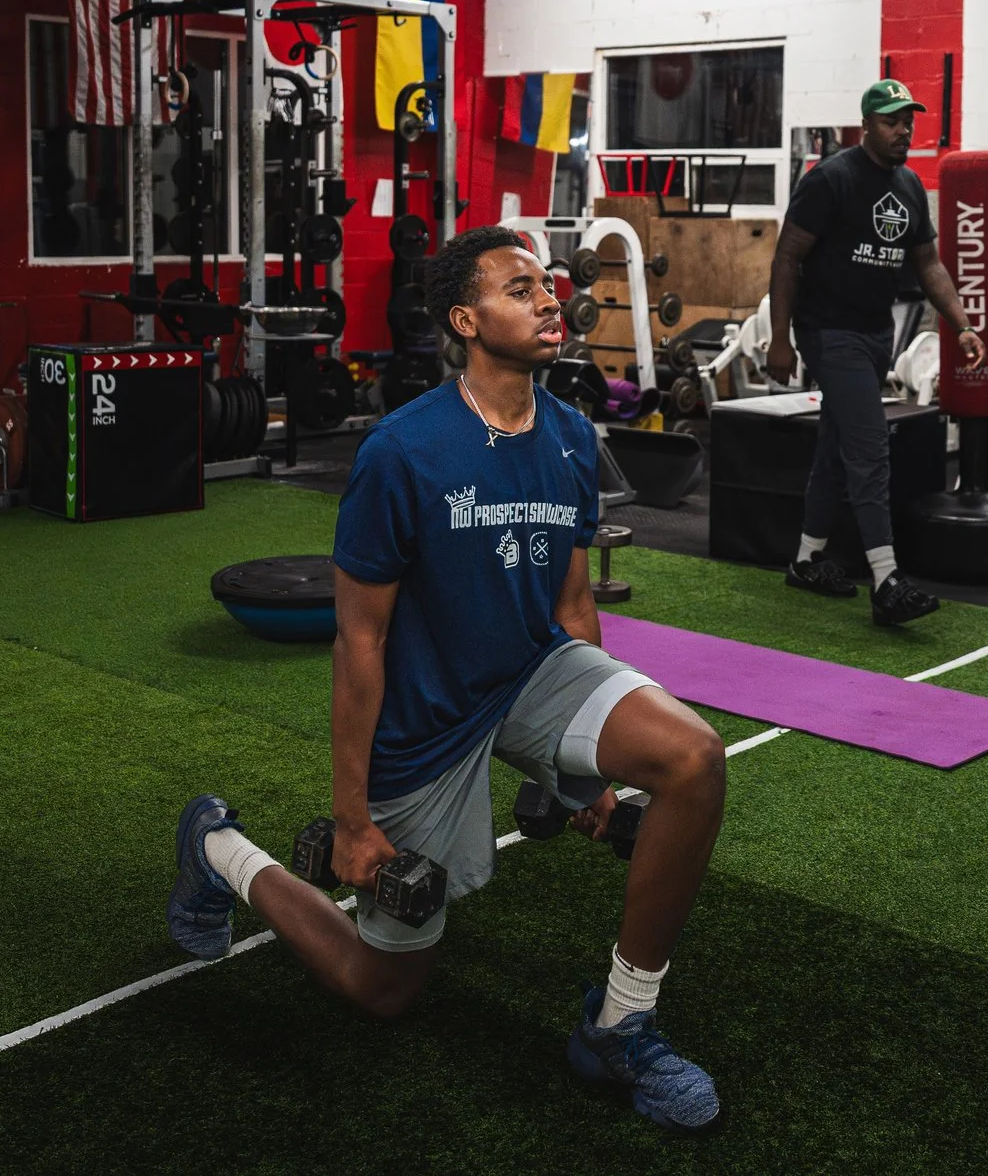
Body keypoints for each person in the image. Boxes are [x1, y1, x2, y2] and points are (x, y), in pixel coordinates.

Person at [167, 226, 729, 1132]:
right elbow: (360, 643)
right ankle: (220, 851)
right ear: (466, 320)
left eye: (548, 284)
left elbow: (573, 600)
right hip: (427, 716)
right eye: (520, 288)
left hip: (529, 672)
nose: (550, 298)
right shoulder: (403, 452)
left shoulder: (574, 437)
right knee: (380, 985)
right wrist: (351, 820)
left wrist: (585, 774)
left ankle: (622, 1023)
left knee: (695, 758)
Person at [768, 79, 986, 626]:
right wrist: (778, 338)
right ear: (866, 124)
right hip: (828, 331)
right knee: (869, 447)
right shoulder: (831, 181)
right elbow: (786, 258)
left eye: (908, 120)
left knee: (836, 445)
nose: (903, 129)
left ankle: (806, 560)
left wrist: (961, 324)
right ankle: (887, 579)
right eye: (891, 121)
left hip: (872, 334)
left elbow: (929, 264)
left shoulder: (910, 185)